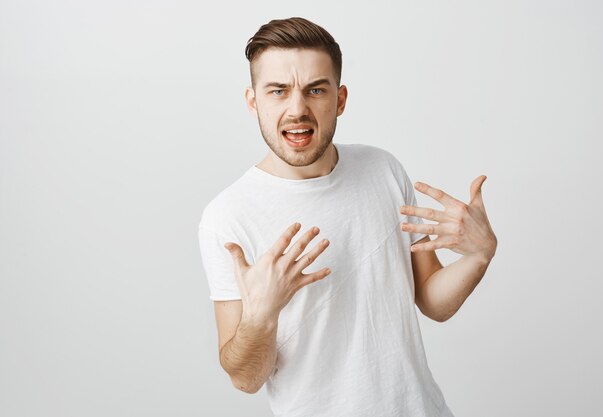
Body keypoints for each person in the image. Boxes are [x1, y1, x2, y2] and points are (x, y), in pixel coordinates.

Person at [198, 16, 497, 417]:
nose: (297, 109)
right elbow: (246, 378)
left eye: (314, 90)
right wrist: (261, 315)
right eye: (278, 91)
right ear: (254, 101)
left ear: (339, 99)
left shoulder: (383, 169)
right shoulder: (228, 216)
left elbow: (431, 300)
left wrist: (479, 255)